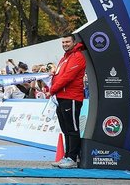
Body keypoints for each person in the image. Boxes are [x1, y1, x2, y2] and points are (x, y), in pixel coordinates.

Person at [49, 34, 86, 169]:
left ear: (73, 42)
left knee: (72, 128)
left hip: (72, 97)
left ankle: (72, 158)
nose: (65, 44)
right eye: (63, 42)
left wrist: (52, 89)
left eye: (67, 41)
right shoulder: (64, 58)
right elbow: (59, 76)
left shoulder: (77, 57)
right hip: (61, 97)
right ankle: (67, 156)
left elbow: (67, 77)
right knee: (66, 129)